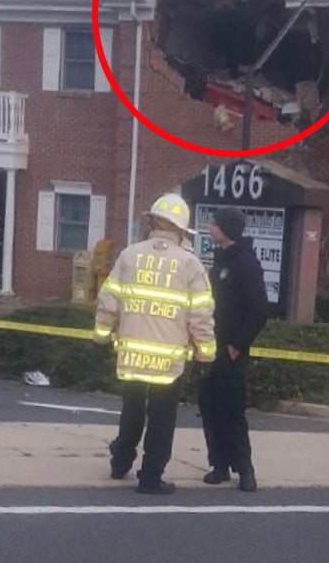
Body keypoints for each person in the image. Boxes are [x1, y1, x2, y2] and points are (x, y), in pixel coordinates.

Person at [93, 193, 217, 494]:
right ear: (182, 230)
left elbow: (108, 301)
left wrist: (101, 337)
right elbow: (200, 315)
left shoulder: (129, 255)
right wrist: (206, 355)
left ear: (152, 221)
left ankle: (120, 462)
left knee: (131, 410)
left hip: (132, 353)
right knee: (161, 419)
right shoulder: (190, 264)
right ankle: (150, 477)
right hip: (168, 361)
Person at [199, 207, 269, 493]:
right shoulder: (220, 260)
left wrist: (237, 344)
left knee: (232, 411)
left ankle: (245, 470)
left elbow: (259, 310)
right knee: (210, 407)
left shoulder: (246, 263)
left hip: (231, 352)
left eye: (214, 223)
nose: (210, 227)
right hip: (210, 349)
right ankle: (219, 465)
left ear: (226, 228)